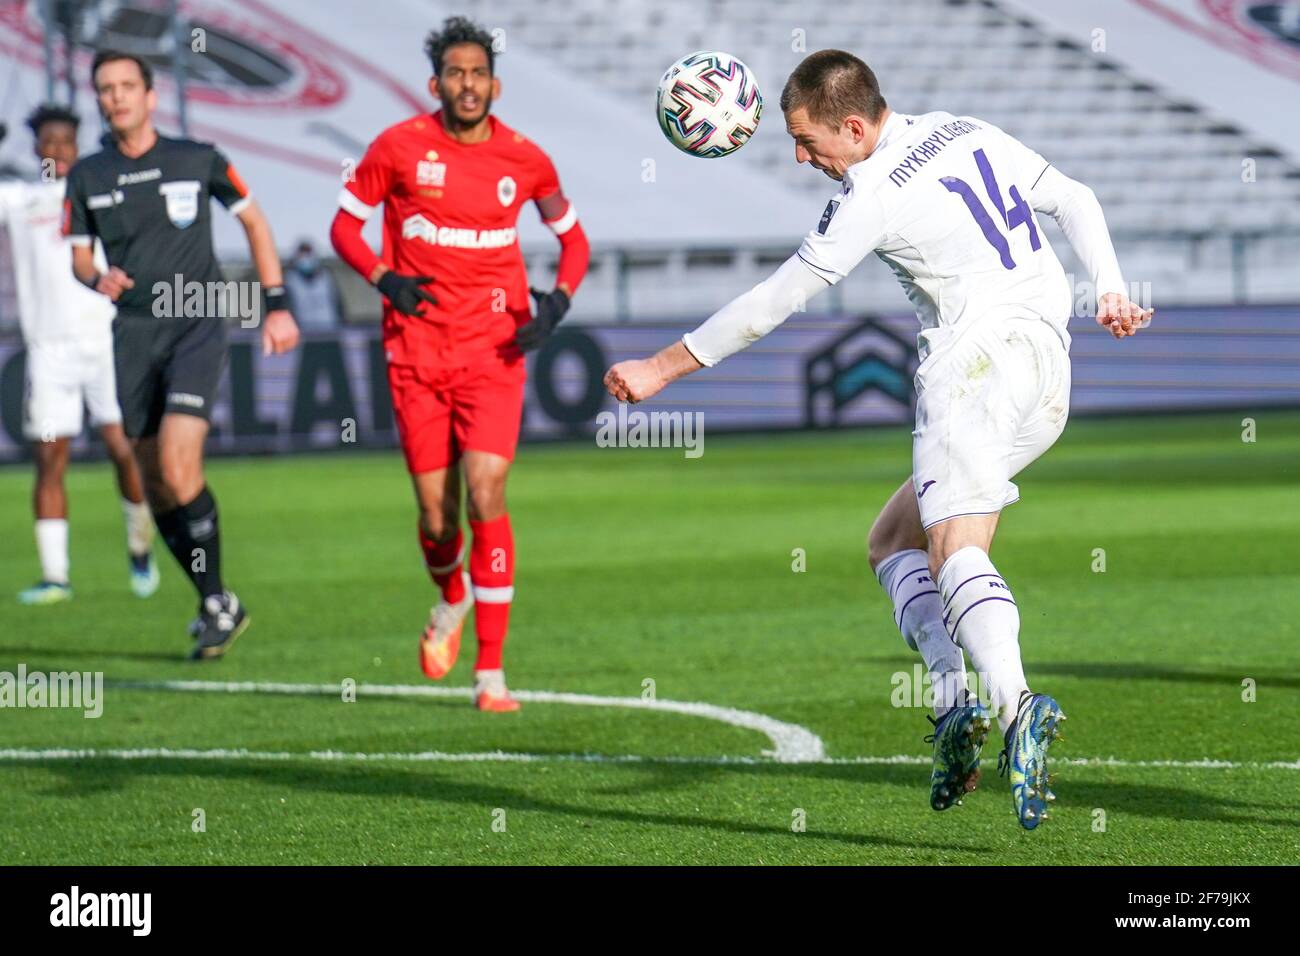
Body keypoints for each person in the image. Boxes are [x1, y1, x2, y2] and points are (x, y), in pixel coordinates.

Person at [604, 50, 1152, 829]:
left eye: (806, 140)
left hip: (975, 365)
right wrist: (1110, 291)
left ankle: (1018, 707)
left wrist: (661, 369)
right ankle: (954, 703)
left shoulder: (871, 190)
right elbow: (1075, 198)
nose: (801, 157)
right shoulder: (962, 129)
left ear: (854, 127)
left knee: (957, 549)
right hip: (1046, 372)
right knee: (892, 540)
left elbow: (775, 300)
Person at [330, 16, 589, 711]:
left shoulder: (526, 159)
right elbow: (344, 227)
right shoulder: (398, 148)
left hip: (494, 352)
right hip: (414, 354)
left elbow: (573, 241)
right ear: (435, 83)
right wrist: (386, 280)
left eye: (478, 73)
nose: (467, 84)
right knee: (437, 518)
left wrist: (556, 305)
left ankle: (491, 673)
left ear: (494, 83)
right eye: (455, 74)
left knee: (487, 495)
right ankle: (451, 595)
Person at [64, 50, 300, 659]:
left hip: (195, 319)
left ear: (150, 95)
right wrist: (97, 280)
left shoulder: (199, 159)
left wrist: (275, 304)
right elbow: (80, 257)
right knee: (155, 483)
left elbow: (255, 223)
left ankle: (217, 600)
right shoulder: (87, 175)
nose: (115, 97)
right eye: (105, 89)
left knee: (175, 461)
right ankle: (216, 600)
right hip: (133, 335)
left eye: (125, 86)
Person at [0, 103, 158, 604]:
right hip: (48, 352)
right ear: (36, 148)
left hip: (105, 344)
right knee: (50, 458)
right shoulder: (20, 198)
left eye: (64, 142)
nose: (56, 151)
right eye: (47, 142)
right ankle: (55, 576)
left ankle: (140, 547)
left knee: (123, 449)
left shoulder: (100, 191)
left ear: (76, 144)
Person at [284, 240, 341, 330]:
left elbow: (338, 302)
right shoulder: (290, 279)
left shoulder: (326, 276)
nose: (306, 259)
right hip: (303, 331)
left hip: (329, 329)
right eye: (302, 255)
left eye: (308, 254)